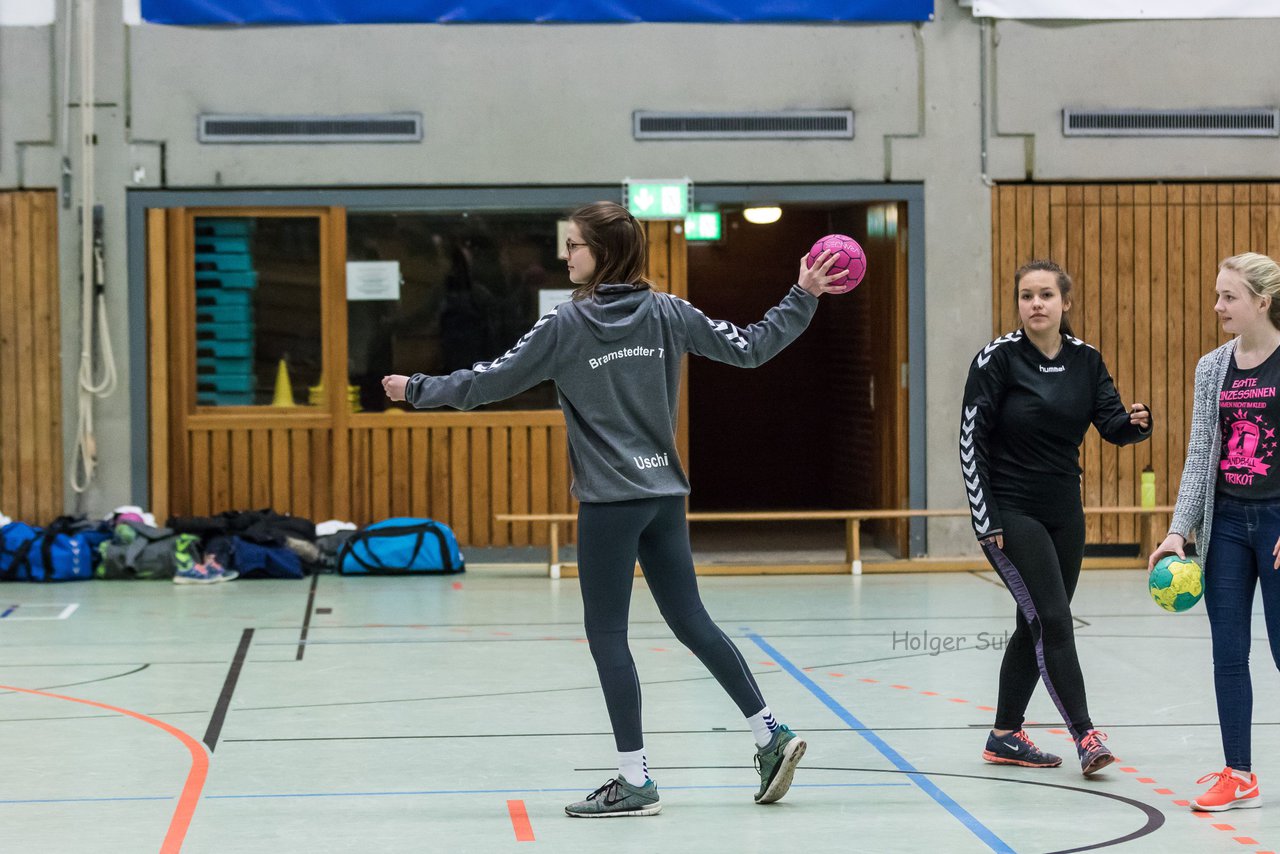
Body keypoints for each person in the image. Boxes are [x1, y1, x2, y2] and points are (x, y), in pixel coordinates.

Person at [382, 201, 849, 817]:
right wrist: (802, 293)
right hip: (664, 496)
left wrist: (416, 389)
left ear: (603, 253)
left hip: (610, 502)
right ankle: (771, 735)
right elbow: (753, 347)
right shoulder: (669, 312)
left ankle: (635, 781)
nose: (566, 255)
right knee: (692, 621)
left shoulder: (565, 326)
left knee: (608, 635)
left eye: (574, 245)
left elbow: (487, 382)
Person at [960, 259, 1152, 777]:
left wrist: (1134, 425)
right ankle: (1086, 735)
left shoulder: (1085, 360)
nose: (1036, 304)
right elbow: (970, 441)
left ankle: (1004, 735)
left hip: (1065, 512)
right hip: (1010, 513)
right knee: (1053, 619)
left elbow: (1110, 422)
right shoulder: (996, 360)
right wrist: (987, 517)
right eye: (1026, 296)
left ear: (1065, 303)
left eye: (1046, 295)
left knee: (1037, 622)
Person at [1149, 252, 1280, 812]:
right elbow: (1201, 451)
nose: (1218, 306)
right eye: (1218, 294)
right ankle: (1239, 772)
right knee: (1228, 653)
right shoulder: (1212, 368)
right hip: (1224, 522)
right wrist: (1180, 531)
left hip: (1276, 521)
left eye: (1229, 296)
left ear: (1262, 302)